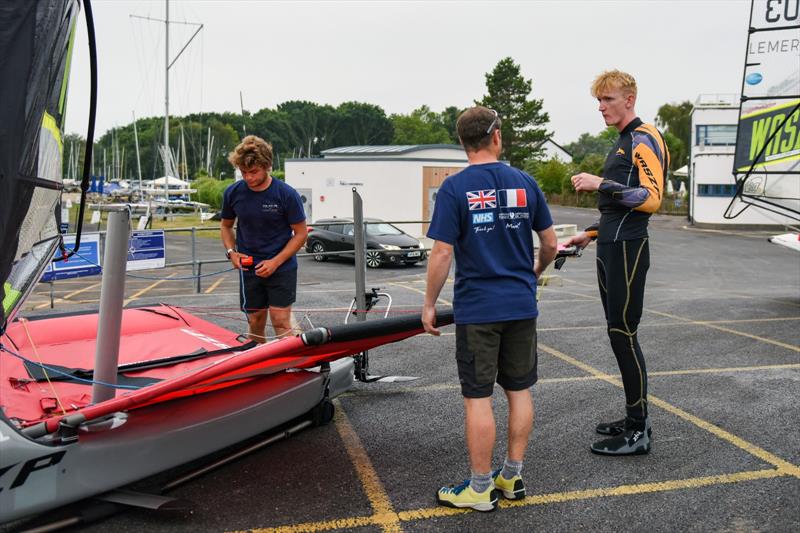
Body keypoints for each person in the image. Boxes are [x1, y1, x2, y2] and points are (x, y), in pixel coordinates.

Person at [423, 106, 557, 512]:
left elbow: (443, 252)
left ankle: (480, 489)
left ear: (463, 143)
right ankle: (511, 477)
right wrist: (532, 273)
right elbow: (550, 243)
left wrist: (429, 303)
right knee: (519, 390)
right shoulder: (525, 182)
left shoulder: (454, 188)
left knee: (478, 396)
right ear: (496, 136)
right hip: (520, 304)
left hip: (478, 309)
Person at [563, 70, 669, 455]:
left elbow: (651, 199)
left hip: (627, 247)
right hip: (610, 243)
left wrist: (599, 182)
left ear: (630, 99)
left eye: (608, 99)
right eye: (599, 100)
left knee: (623, 333)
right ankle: (632, 416)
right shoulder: (624, 141)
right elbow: (613, 210)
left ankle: (639, 430)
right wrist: (587, 235)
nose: (601, 106)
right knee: (616, 333)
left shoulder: (644, 138)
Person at [220, 135, 307, 342]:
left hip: (281, 266)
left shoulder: (286, 194)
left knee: (280, 321)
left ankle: (291, 367)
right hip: (249, 267)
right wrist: (231, 253)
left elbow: (301, 234)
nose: (248, 177)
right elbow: (225, 226)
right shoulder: (233, 193)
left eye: (253, 172)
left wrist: (275, 262)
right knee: (255, 320)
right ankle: (259, 366)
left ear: (267, 166)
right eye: (244, 172)